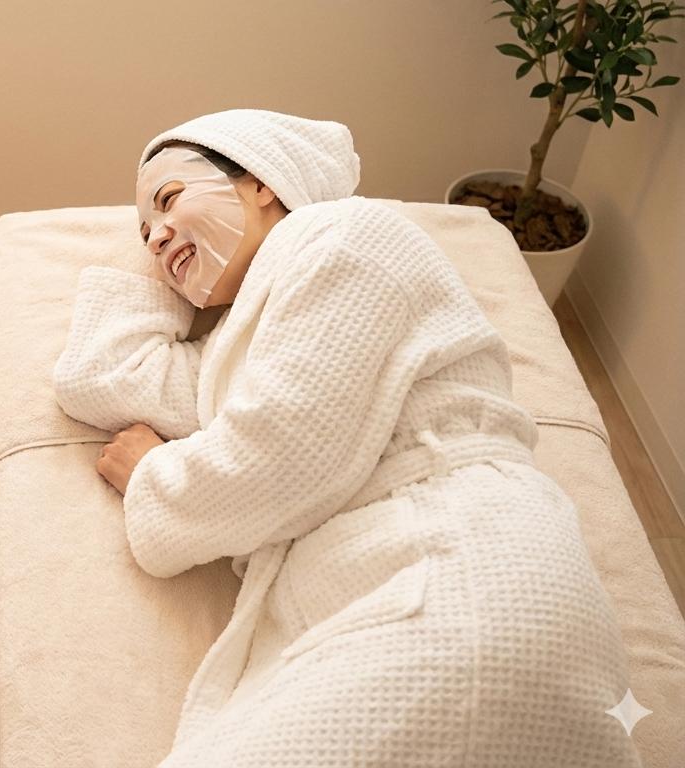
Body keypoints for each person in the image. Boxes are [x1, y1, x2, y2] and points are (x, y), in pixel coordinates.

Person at [54, 110, 638, 767]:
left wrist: (153, 476)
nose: (155, 238)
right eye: (145, 233)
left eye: (169, 198)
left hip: (464, 576)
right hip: (383, 594)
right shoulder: (236, 352)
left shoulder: (347, 237)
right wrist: (155, 258)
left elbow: (281, 460)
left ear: (261, 183)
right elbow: (99, 378)